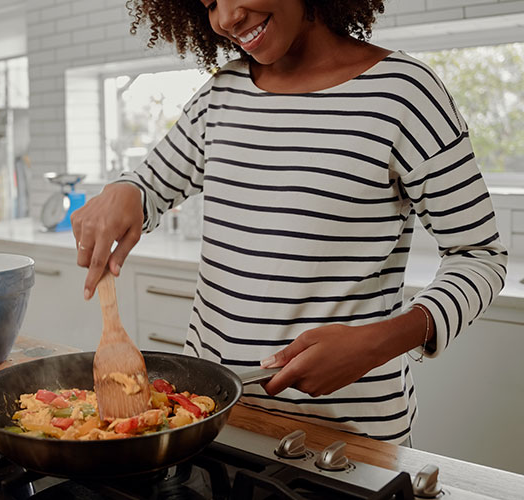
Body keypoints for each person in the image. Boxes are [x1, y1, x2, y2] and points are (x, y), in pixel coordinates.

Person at [70, 0, 508, 444]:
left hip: (349, 439)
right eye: (208, 4)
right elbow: (148, 186)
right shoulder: (220, 95)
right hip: (217, 422)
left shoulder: (405, 94)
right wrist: (125, 192)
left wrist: (378, 342)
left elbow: (480, 258)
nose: (225, 18)